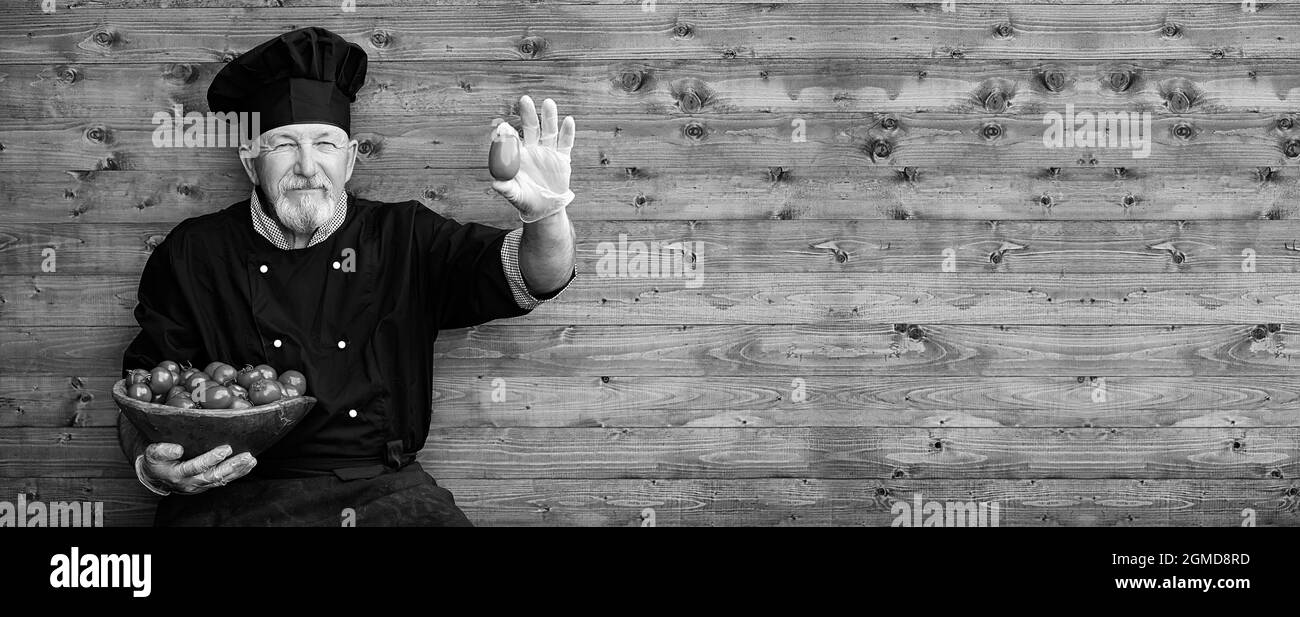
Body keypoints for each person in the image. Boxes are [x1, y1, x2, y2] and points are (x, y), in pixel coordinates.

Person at [117, 26, 577, 526]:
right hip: (230, 490)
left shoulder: (404, 235)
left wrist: (546, 215)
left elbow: (535, 276)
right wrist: (150, 467)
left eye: (325, 144)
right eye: (283, 145)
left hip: (383, 492)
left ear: (351, 158)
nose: (308, 167)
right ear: (251, 164)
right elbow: (143, 393)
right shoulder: (195, 252)